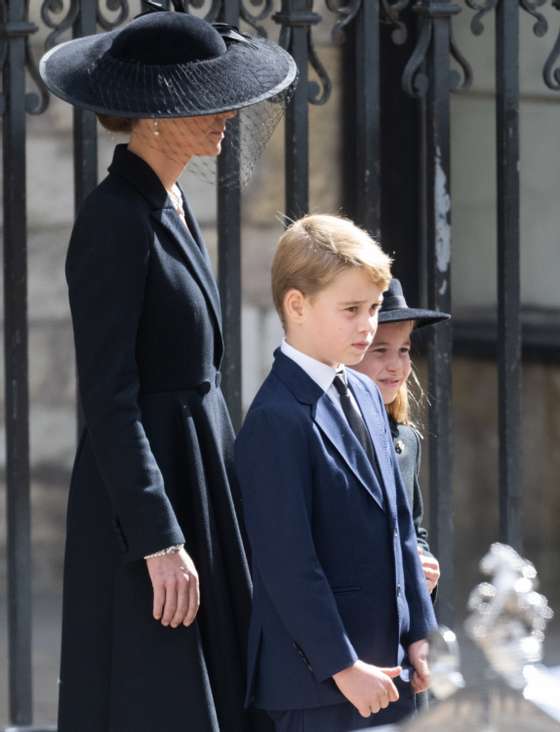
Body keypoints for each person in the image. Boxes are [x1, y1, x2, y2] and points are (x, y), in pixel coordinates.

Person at [39, 9, 296, 732]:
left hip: (200, 477)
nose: (225, 116)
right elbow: (109, 397)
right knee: (162, 698)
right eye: (202, 100)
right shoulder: (114, 217)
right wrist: (158, 536)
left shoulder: (171, 201)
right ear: (152, 117)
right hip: (152, 500)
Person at [234, 215, 437, 732]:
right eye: (351, 310)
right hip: (316, 685)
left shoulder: (367, 392)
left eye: (372, 308)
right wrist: (343, 666)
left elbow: (400, 532)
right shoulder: (275, 419)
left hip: (389, 669)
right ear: (296, 305)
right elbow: (288, 567)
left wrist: (419, 634)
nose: (368, 325)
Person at [352, 278, 451, 599]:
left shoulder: (406, 439)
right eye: (380, 350)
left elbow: (412, 528)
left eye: (404, 350)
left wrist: (424, 563)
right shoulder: (329, 432)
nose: (396, 365)